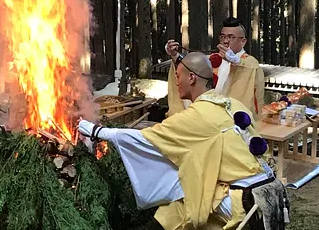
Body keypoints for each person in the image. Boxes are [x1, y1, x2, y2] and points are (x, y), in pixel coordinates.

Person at [79, 53, 288, 230]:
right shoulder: (233, 104)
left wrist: (96, 130)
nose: (176, 81)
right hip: (272, 192)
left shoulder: (196, 117)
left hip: (248, 204)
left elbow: (145, 138)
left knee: (188, 205)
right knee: (177, 207)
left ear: (191, 78)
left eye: (178, 75)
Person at [165, 17, 264, 118]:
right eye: (222, 37)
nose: (225, 41)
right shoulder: (212, 59)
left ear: (243, 41)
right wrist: (174, 55)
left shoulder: (249, 63)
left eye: (231, 37)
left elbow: (249, 69)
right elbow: (189, 67)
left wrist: (236, 61)